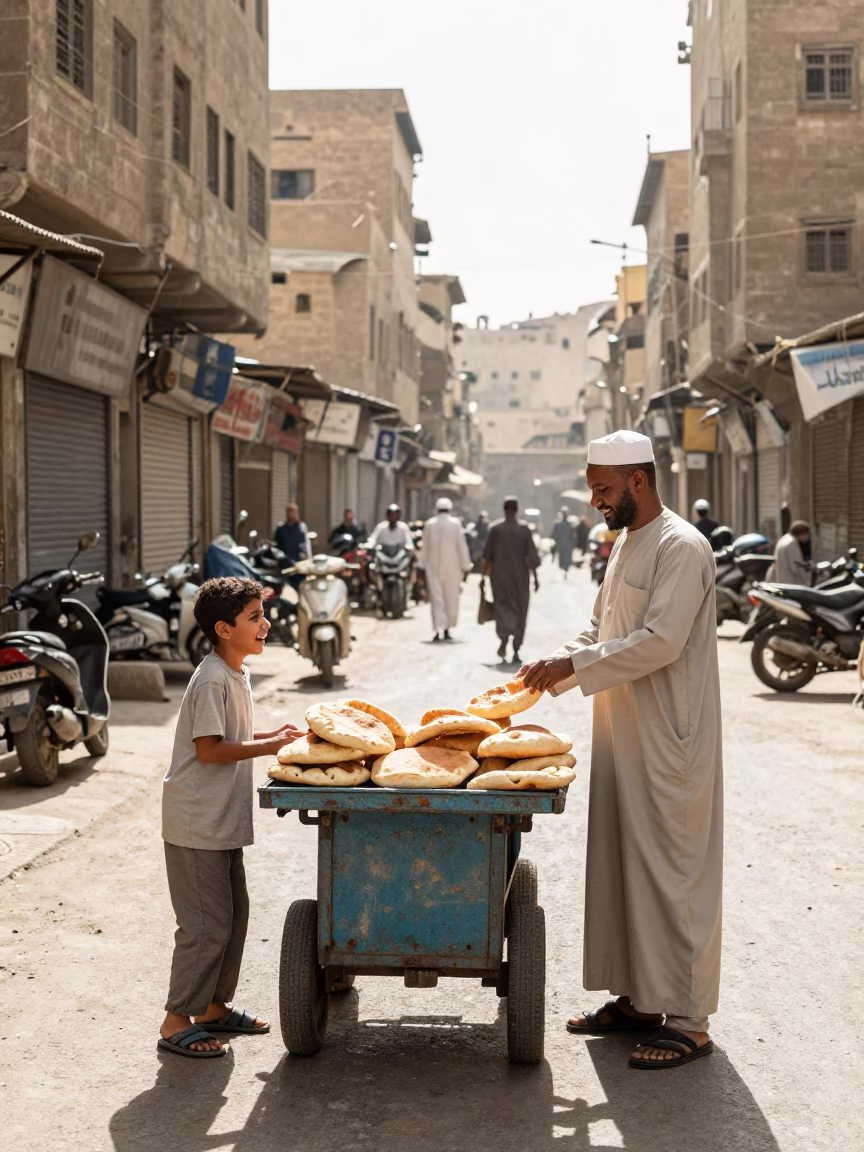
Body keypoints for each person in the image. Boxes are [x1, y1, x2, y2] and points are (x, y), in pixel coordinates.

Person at [519, 429, 722, 1071]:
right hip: (622, 729)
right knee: (623, 861)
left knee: (673, 871)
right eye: (592, 491)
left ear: (639, 479)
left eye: (603, 490)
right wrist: (558, 663)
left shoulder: (681, 546)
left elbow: (660, 640)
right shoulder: (627, 542)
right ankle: (637, 999)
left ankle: (689, 1020)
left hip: (670, 738)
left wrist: (574, 663)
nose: (595, 504)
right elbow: (604, 624)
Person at [158, 577, 303, 1057]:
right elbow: (209, 749)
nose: (266, 624)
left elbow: (230, 732)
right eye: (255, 618)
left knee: (234, 917)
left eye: (264, 615)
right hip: (197, 824)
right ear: (223, 628)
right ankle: (177, 1019)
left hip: (220, 822)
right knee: (205, 925)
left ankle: (215, 1009)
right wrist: (270, 745)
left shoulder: (234, 671)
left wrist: (270, 733)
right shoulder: (212, 678)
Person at [482, 496, 541, 665]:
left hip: (499, 578)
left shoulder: (495, 529)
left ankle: (503, 639)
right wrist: (535, 578)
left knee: (502, 608)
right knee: (521, 611)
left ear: (504, 509)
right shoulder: (524, 529)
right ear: (516, 510)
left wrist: (483, 577)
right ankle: (516, 648)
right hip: (520, 579)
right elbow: (532, 557)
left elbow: (488, 557)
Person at [418, 497, 472, 641]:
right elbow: (462, 546)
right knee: (451, 598)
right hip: (453, 568)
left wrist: (421, 565)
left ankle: (438, 629)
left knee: (437, 599)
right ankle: (447, 628)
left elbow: (425, 548)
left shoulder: (430, 524)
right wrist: (466, 566)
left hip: (433, 567)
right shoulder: (455, 524)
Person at [770, 520, 812, 585]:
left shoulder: (785, 539)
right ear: (802, 533)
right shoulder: (792, 544)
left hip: (782, 581)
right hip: (791, 583)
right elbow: (796, 566)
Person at [551, 507, 575, 578]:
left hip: (565, 545)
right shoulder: (561, 524)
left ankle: (565, 571)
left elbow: (554, 535)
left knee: (565, 560)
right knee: (564, 560)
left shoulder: (566, 525)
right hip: (564, 545)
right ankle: (565, 571)